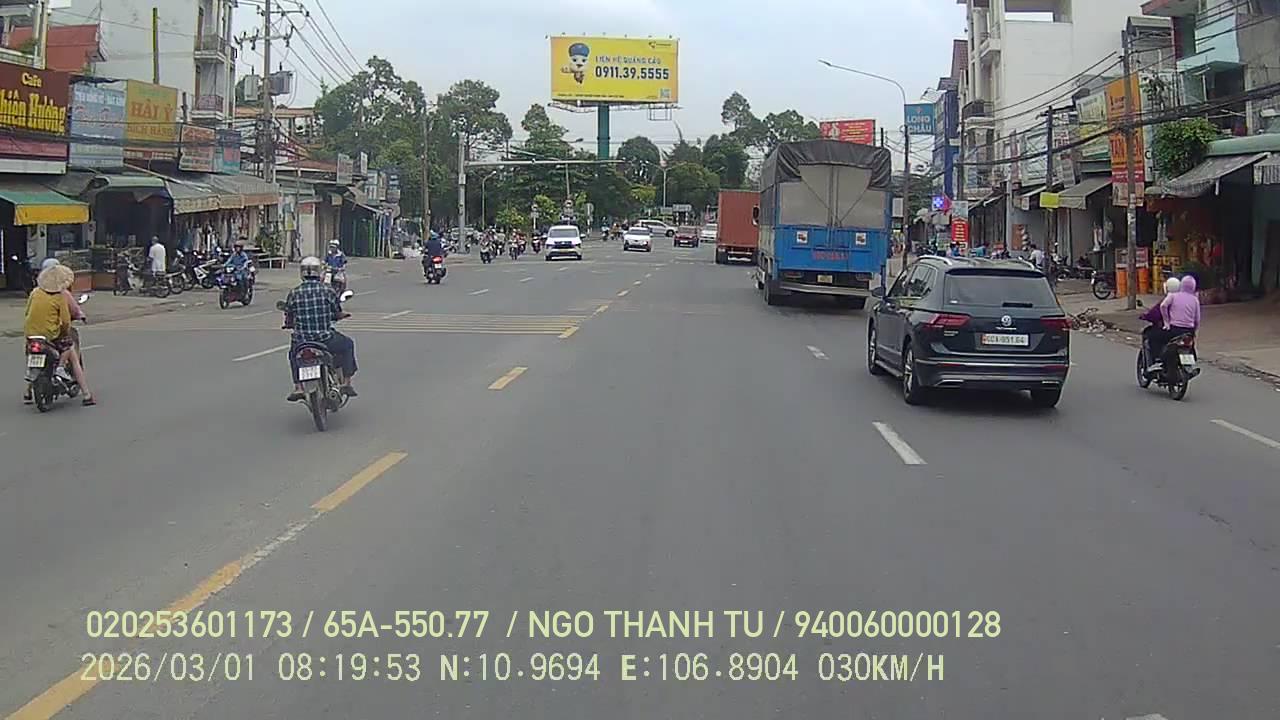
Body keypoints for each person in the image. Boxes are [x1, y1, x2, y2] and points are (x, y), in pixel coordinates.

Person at [284, 257, 357, 402]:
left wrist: (289, 324)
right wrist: (340, 315)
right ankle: (346, 382)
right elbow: (336, 311)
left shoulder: (294, 293)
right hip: (325, 339)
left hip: (302, 341)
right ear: (319, 272)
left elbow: (289, 316)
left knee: (293, 355)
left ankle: (298, 387)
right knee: (348, 344)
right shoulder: (327, 291)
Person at [23, 264, 94, 406]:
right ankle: (86, 393)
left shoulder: (35, 292)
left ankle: (27, 391)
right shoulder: (60, 296)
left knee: (34, 359)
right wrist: (64, 332)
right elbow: (66, 321)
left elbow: (27, 312)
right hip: (50, 335)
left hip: (31, 333)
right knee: (70, 349)